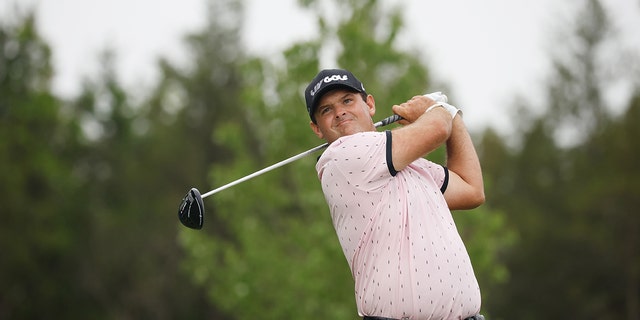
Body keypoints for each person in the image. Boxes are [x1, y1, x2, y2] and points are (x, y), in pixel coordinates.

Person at [304, 69, 486, 320]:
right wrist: (438, 109)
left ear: (369, 104)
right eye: (326, 110)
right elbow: (435, 129)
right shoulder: (341, 156)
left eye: (347, 100)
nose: (339, 112)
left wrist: (451, 117)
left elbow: (471, 190)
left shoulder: (413, 165)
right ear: (317, 128)